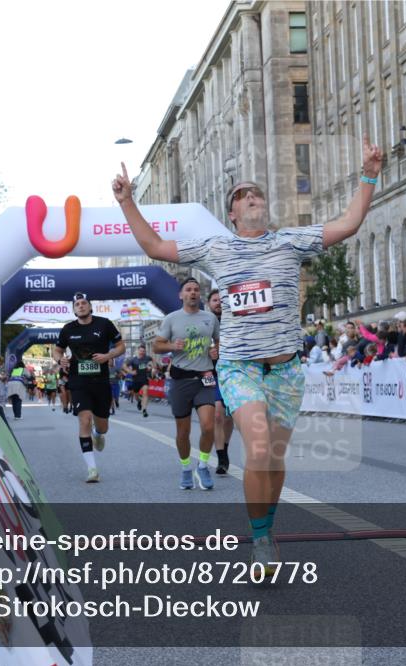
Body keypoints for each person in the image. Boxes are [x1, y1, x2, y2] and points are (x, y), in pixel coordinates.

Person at [112, 133, 383, 575]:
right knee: (257, 448)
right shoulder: (216, 248)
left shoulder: (292, 241)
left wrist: (369, 174)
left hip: (286, 370)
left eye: (257, 193)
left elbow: (349, 223)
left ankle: (267, 529)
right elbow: (156, 248)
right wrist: (127, 203)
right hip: (240, 367)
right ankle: (260, 541)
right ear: (232, 214)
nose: (252, 196)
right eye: (243, 195)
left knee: (274, 460)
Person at [154, 277, 221, 491]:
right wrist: (173, 345)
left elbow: (220, 341)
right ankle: (185, 468)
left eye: (195, 290)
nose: (192, 293)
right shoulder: (172, 319)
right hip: (181, 379)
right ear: (181, 295)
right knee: (183, 433)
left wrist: (216, 351)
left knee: (209, 426)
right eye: (188, 290)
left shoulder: (210, 318)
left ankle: (202, 465)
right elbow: (157, 346)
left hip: (205, 378)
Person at [53, 292, 126, 483]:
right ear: (74, 309)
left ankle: (98, 434)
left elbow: (121, 346)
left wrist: (108, 356)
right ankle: (92, 468)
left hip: (100, 381)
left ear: (90, 306)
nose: (81, 306)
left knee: (102, 426)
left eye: (84, 303)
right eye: (77, 304)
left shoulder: (104, 324)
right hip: (79, 382)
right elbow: (58, 349)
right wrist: (60, 359)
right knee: (84, 420)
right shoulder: (68, 329)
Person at [207, 289, 235, 474]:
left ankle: (224, 446)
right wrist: (207, 353)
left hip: (233, 372)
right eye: (215, 300)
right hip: (212, 373)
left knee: (229, 416)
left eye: (221, 300)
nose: (218, 302)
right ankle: (221, 457)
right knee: (217, 414)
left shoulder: (235, 322)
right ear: (209, 303)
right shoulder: (204, 323)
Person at [126, 345, 152, 417]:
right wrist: (130, 372)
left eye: (143, 351)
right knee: (136, 397)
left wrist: (152, 367)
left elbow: (153, 361)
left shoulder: (147, 358)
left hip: (144, 379)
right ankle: (139, 401)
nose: (142, 352)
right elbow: (124, 366)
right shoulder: (133, 360)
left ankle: (144, 410)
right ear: (138, 351)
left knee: (145, 393)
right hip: (136, 380)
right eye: (141, 351)